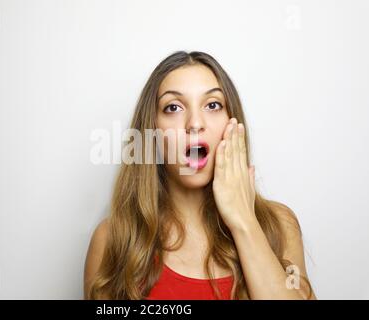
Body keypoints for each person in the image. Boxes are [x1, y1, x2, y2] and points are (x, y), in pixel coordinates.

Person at [84, 51, 316, 300]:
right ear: (152, 133)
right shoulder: (112, 239)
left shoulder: (280, 226)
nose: (194, 123)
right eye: (173, 107)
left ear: (232, 123)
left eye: (213, 105)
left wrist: (243, 221)